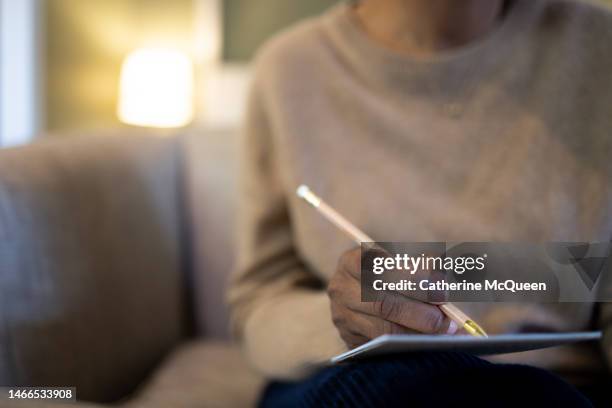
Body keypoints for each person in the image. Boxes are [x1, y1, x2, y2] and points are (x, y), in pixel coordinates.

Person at [229, 0, 612, 406]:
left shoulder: (597, 49)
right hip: (355, 377)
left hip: (556, 388)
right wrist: (344, 322)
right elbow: (259, 304)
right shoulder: (291, 69)